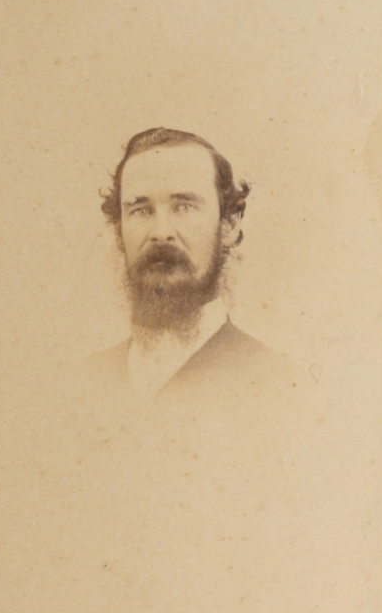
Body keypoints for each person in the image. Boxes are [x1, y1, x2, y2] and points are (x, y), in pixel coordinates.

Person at [88, 127, 294, 406]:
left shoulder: (277, 384)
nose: (161, 232)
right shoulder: (81, 382)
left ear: (228, 225)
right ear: (119, 231)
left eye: (184, 207)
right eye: (141, 210)